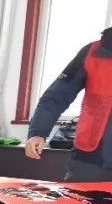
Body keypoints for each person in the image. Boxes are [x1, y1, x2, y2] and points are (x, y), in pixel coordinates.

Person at [26, 27, 112, 182]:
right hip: (90, 161)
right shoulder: (93, 53)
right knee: (76, 197)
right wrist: (38, 132)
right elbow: (57, 96)